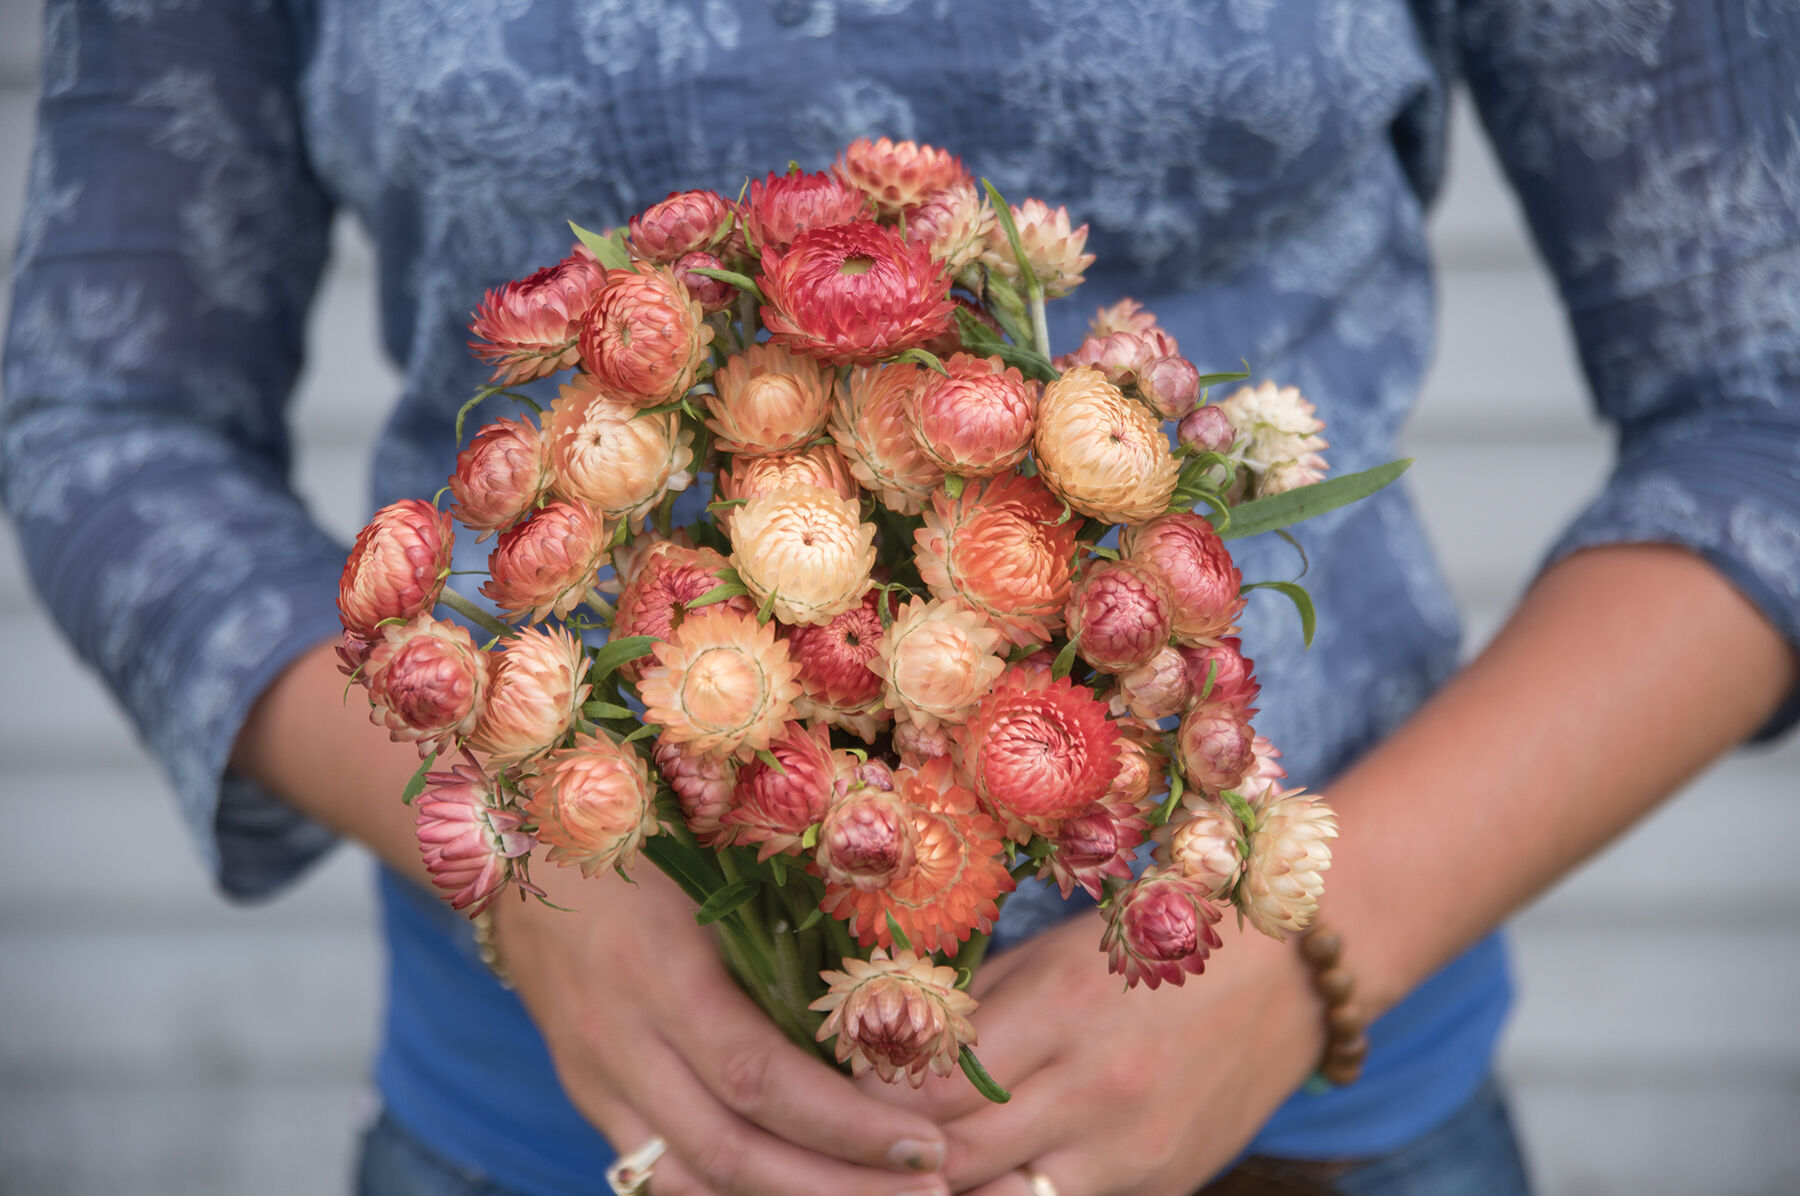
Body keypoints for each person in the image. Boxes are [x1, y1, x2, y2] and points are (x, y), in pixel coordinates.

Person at [4, 3, 1796, 1194]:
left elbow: (1762, 413)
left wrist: (1311, 941)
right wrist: (537, 860)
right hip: (566, 1130)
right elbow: (110, 414)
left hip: (1305, 1128)